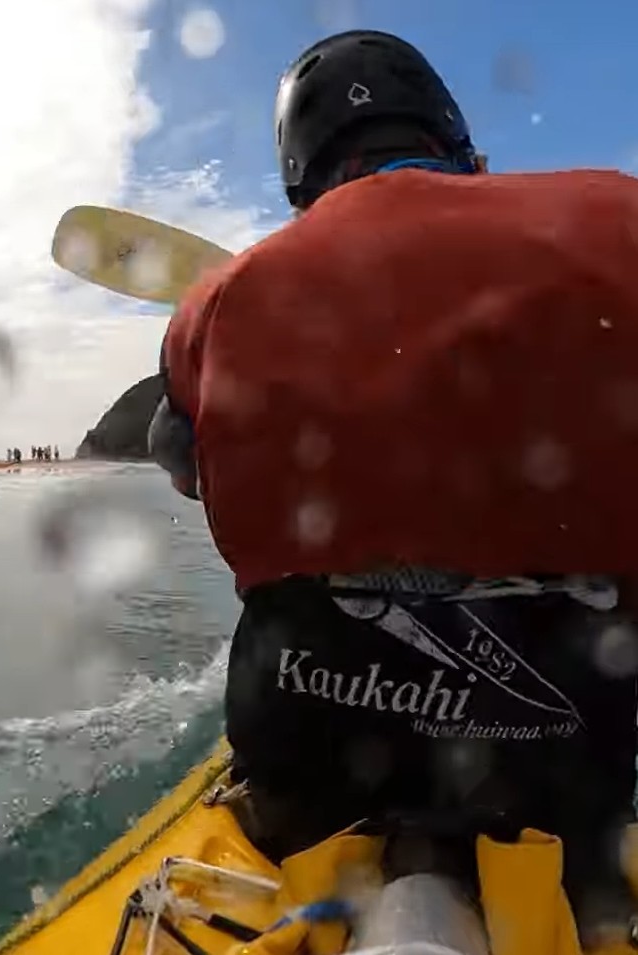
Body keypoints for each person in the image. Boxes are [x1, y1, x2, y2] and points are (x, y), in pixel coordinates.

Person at [148, 28, 638, 943]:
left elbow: (182, 461)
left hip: (311, 757)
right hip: (578, 759)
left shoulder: (215, 305)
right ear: (464, 151)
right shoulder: (624, 217)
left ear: (301, 182)